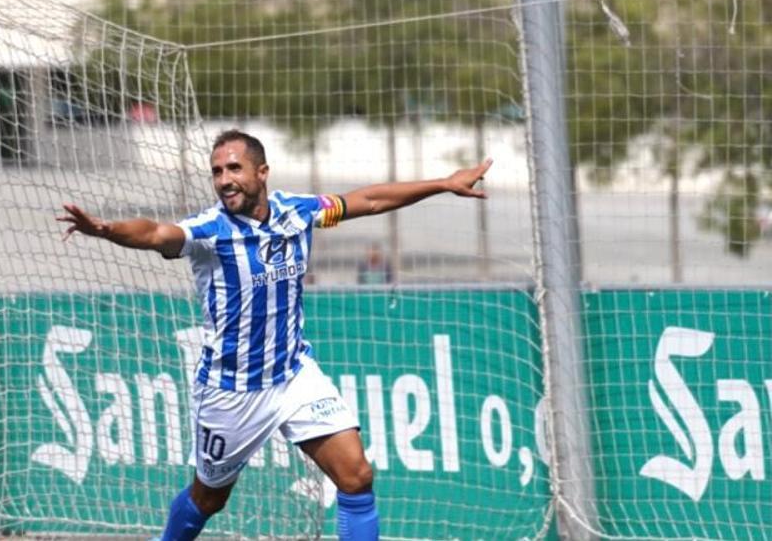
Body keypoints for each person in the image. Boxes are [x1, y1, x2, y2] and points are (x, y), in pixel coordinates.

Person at [56, 129, 490, 540]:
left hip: (293, 374)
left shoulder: (298, 212)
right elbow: (155, 233)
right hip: (232, 390)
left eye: (234, 169)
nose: (225, 180)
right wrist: (106, 230)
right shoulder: (210, 231)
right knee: (208, 498)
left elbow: (370, 200)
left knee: (356, 475)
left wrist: (444, 183)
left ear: (262, 172)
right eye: (217, 172)